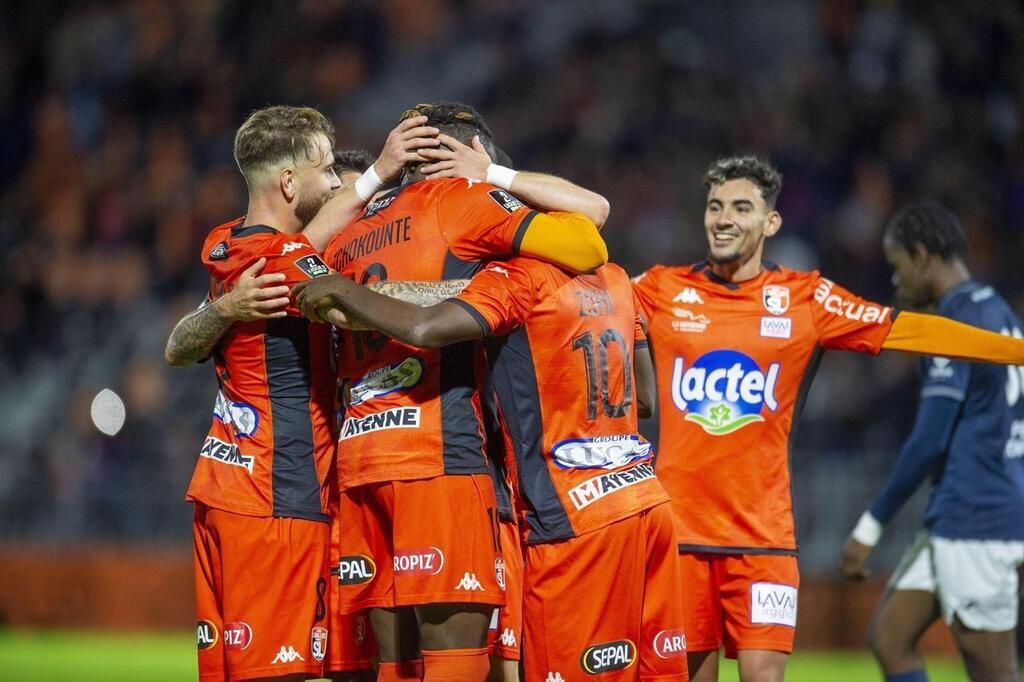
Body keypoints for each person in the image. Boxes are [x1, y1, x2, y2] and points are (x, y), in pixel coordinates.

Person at [629, 156, 1024, 682]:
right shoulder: (658, 289)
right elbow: (584, 304)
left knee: (764, 677)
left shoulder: (807, 299)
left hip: (763, 542)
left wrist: (1012, 351)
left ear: (770, 222)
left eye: (741, 207)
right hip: (678, 538)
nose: (723, 218)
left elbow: (909, 330)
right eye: (715, 206)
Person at [316, 101, 613, 681]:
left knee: (393, 668)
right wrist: (492, 177)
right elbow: (589, 238)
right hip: (438, 454)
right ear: (465, 153)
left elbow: (295, 260)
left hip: (360, 459)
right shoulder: (457, 200)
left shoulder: (349, 231)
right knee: (459, 665)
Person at [292, 253, 689, 682]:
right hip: (644, 494)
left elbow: (424, 329)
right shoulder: (614, 278)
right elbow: (645, 397)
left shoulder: (520, 278)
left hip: (573, 511)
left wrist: (346, 290)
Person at [168, 107, 439, 682]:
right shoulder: (286, 268)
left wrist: (223, 308)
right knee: (278, 672)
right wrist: (486, 293)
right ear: (289, 182)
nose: (335, 182)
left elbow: (177, 346)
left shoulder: (226, 246)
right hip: (276, 493)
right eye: (325, 169)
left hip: (223, 486)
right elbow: (365, 308)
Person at [839, 202, 1024, 682]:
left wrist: (870, 528)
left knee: (994, 669)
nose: (896, 284)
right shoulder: (995, 306)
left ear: (921, 257)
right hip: (966, 508)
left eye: (899, 268)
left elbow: (929, 439)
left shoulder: (954, 324)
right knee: (890, 638)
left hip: (977, 520)